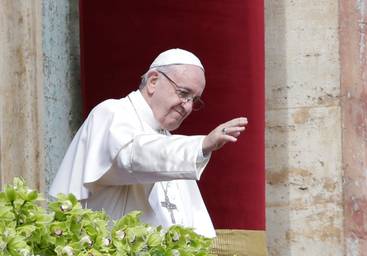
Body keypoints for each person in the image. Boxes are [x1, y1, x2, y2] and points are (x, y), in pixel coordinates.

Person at [49, 48, 247, 238]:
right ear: (153, 81)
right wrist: (201, 145)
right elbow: (132, 157)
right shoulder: (111, 113)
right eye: (183, 93)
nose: (187, 106)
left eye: (194, 100)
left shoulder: (169, 142)